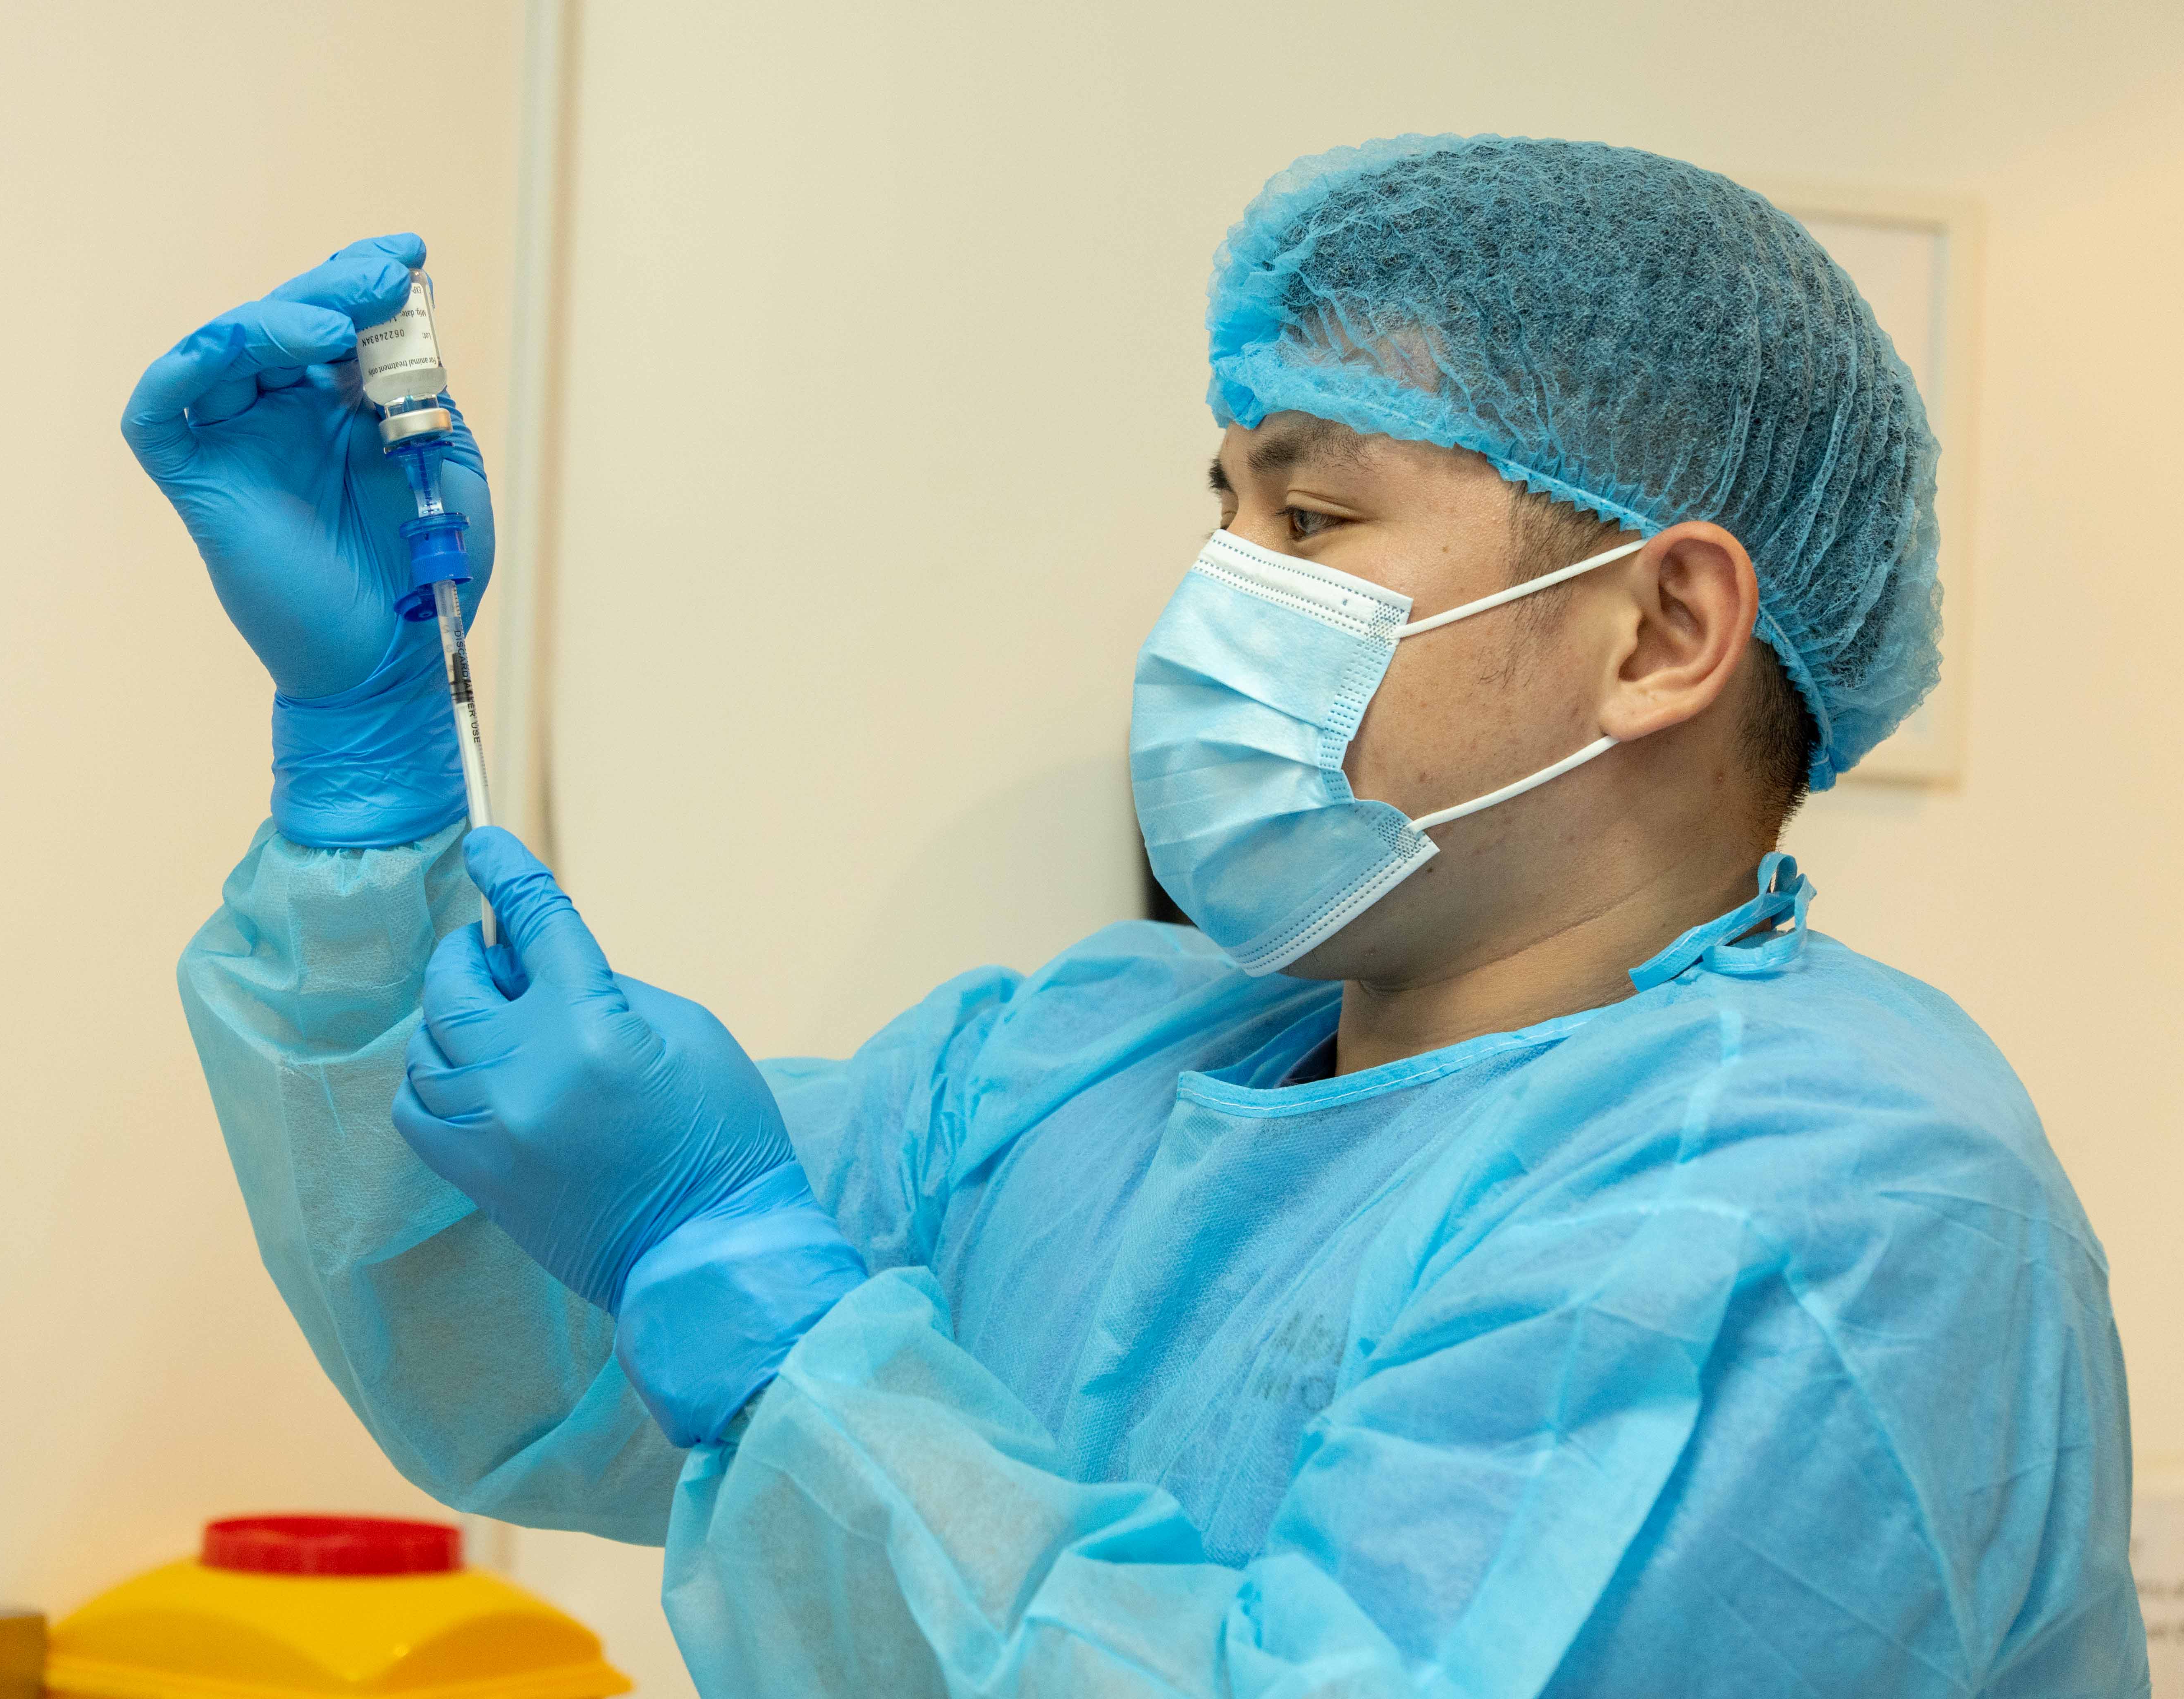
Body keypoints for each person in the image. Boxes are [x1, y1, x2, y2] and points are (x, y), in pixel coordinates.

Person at [129, 137, 2149, 1695]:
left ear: (1664, 632)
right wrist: (374, 765)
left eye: (1316, 517)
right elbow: (511, 1333)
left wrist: (749, 1286)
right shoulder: (1086, 1066)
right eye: (1226, 511)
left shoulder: (1813, 1213)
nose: (1217, 595)